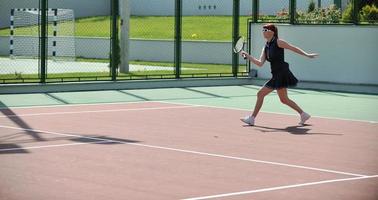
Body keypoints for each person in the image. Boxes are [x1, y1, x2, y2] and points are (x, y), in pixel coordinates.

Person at [240, 24, 318, 126]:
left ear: (272, 32)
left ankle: (252, 118)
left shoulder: (278, 42)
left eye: (265, 29)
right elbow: (260, 63)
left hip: (282, 73)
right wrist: (248, 56)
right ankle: (303, 114)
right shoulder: (266, 47)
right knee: (284, 99)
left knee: (260, 94)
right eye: (262, 30)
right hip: (276, 74)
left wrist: (307, 55)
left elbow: (292, 48)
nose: (263, 31)